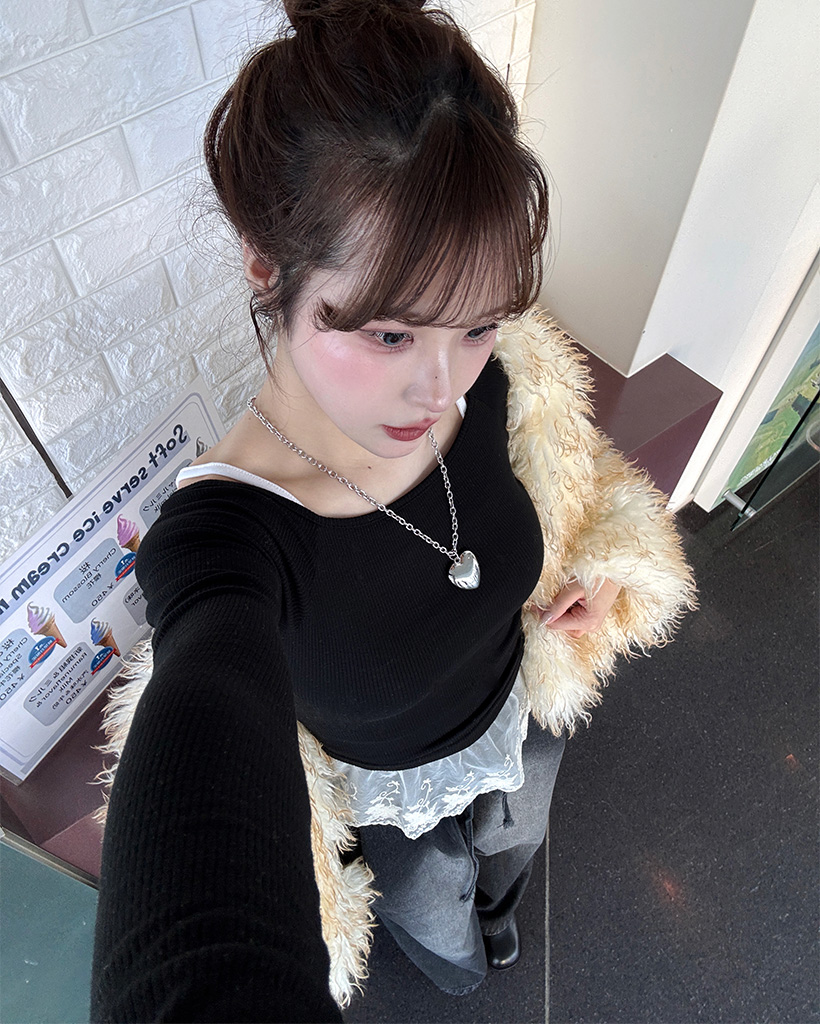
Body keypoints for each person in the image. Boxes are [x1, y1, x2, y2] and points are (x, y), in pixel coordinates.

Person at [90, 0, 697, 1018]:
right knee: (440, 927)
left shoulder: (501, 374)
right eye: (387, 335)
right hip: (397, 807)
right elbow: (198, 749)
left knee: (511, 852)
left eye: (477, 324)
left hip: (525, 710)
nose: (442, 386)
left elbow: (565, 469)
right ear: (264, 263)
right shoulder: (228, 539)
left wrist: (594, 567)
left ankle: (500, 913)